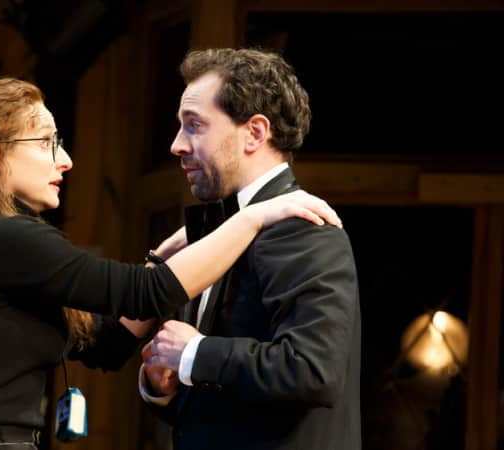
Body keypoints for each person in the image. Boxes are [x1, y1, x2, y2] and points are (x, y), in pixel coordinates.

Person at [0, 77, 341, 450]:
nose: (64, 159)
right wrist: (251, 218)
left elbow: (104, 342)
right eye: (46, 141)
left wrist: (168, 254)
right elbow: (145, 294)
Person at [140, 48, 361, 450]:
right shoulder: (218, 229)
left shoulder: (304, 228)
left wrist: (194, 353)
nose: (176, 145)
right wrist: (167, 384)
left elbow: (312, 371)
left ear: (255, 133)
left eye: (194, 125)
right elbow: (227, 406)